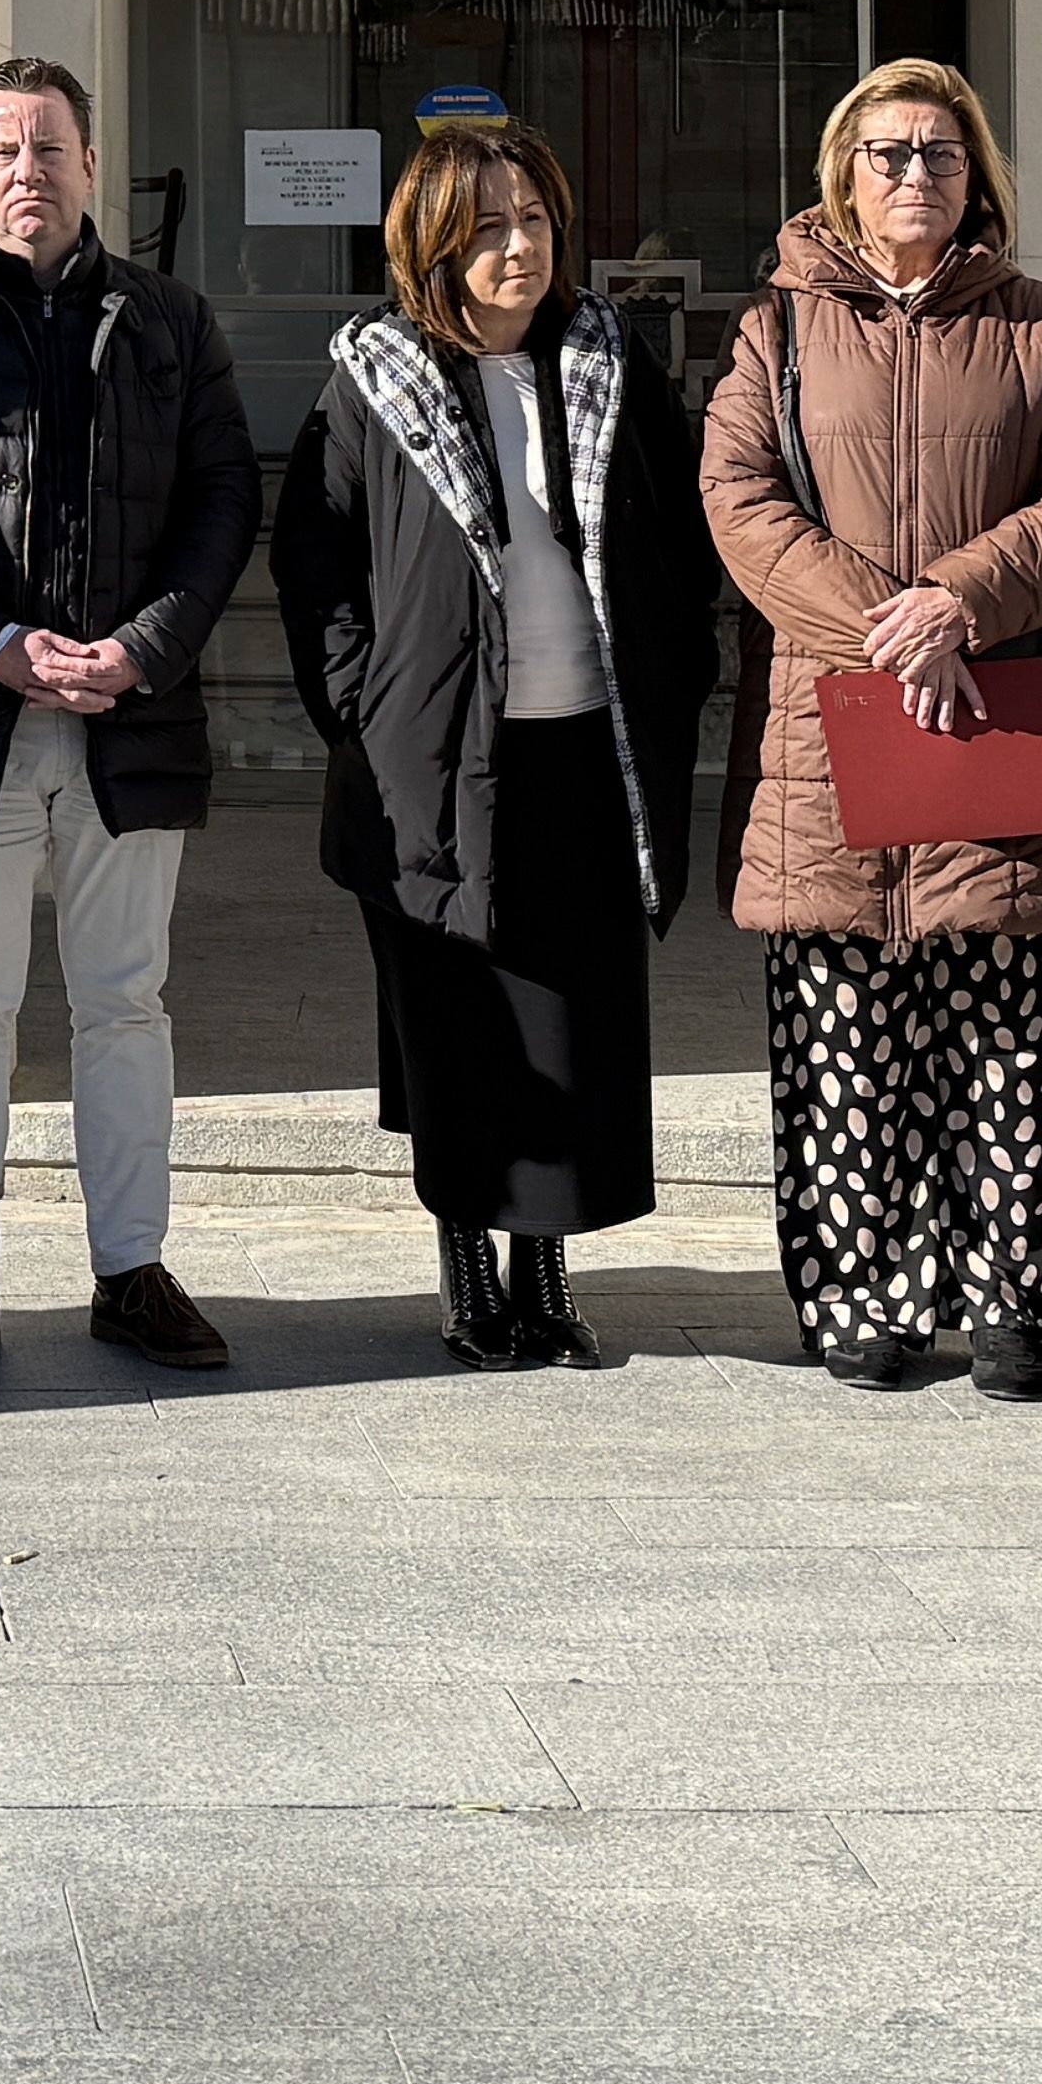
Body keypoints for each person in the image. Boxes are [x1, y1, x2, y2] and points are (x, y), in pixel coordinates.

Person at [698, 57, 1042, 1399]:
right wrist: (881, 621)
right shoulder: (774, 331)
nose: (913, 176)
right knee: (844, 1029)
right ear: (845, 172)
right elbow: (738, 494)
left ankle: (1007, 1298)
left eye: (941, 155)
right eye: (888, 153)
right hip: (829, 719)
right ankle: (865, 1297)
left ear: (977, 178)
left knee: (1008, 1022)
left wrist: (959, 599)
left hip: (993, 711)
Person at [0, 55, 263, 1379]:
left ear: (90, 165)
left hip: (131, 720)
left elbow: (224, 500)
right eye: (4, 150)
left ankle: (131, 1271)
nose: (30, 170)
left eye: (52, 148)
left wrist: (142, 650)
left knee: (126, 1002)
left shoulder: (171, 322)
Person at [272, 116, 716, 1369]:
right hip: (430, 755)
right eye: (486, 227)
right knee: (458, 1019)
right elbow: (314, 556)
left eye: (532, 219)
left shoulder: (607, 358)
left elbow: (676, 540)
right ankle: (470, 1280)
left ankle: (546, 1280)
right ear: (431, 242)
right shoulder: (377, 377)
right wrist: (360, 700)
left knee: (567, 1015)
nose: (517, 247)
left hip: (581, 744)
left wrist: (677, 667)